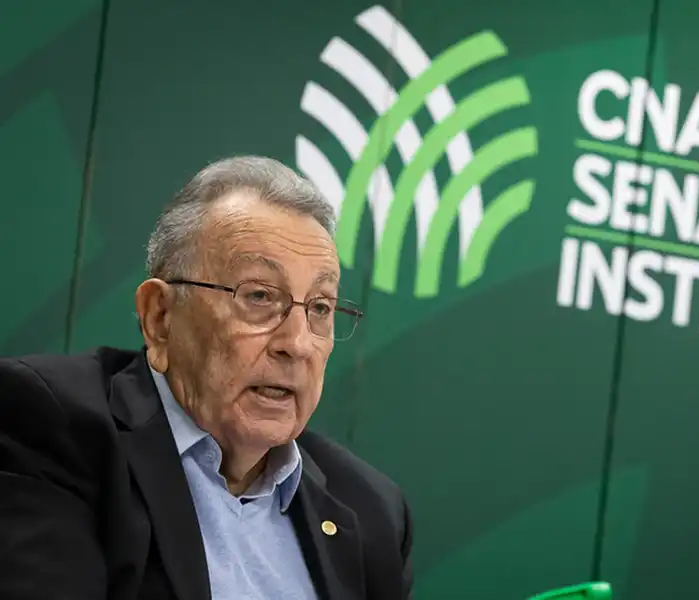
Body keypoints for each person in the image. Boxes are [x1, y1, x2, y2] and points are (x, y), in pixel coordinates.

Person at [0, 156, 414, 600]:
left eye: (319, 307)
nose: (296, 343)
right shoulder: (54, 427)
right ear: (160, 317)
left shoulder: (372, 509)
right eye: (259, 296)